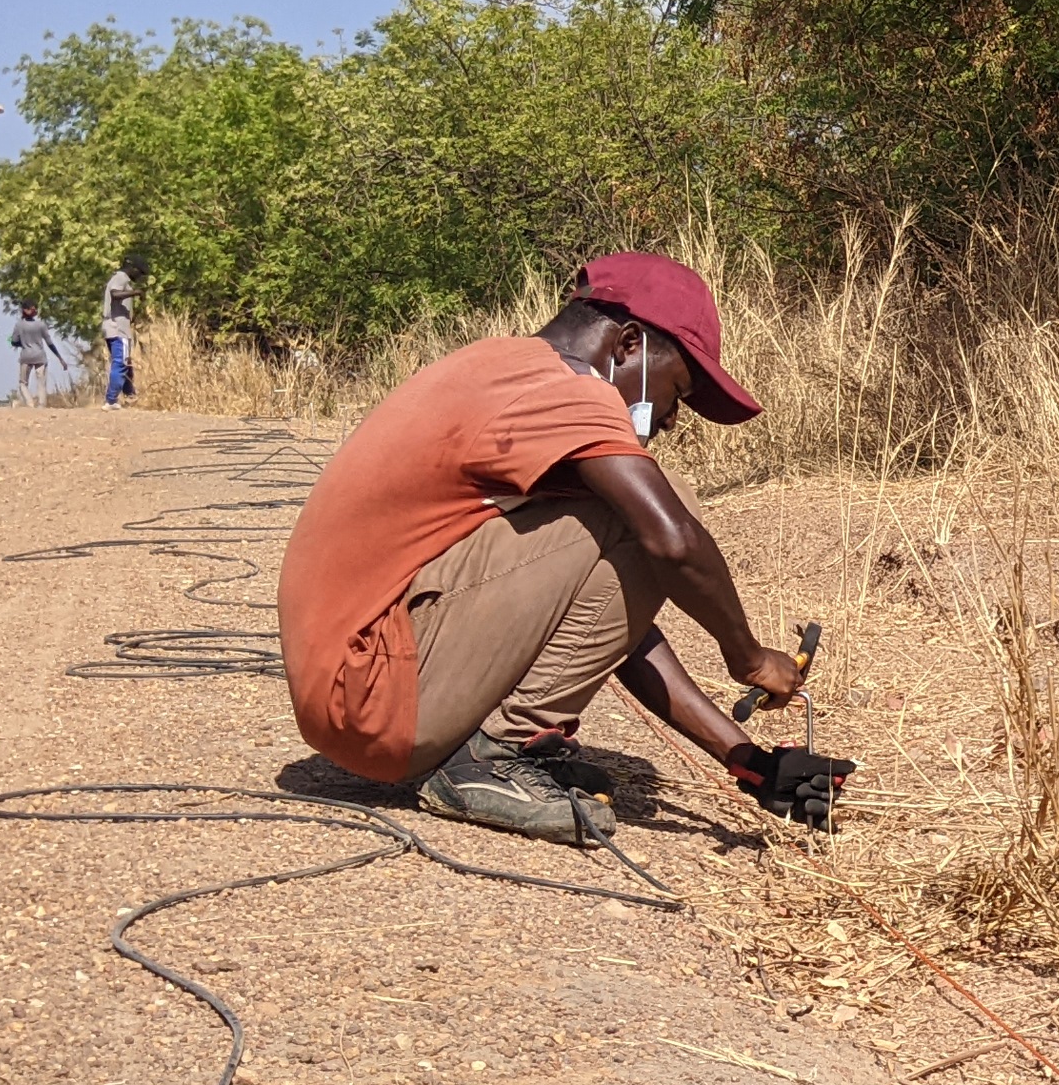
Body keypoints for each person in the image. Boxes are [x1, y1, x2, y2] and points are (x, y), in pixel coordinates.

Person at [275, 252, 855, 843]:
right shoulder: (565, 392)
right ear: (628, 343)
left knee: (631, 516)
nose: (676, 418)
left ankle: (494, 747)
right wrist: (750, 658)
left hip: (355, 695)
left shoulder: (501, 368)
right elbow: (672, 542)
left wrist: (745, 759)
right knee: (660, 503)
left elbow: (607, 624)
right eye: (679, 389)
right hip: (374, 694)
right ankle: (494, 756)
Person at [99, 263, 136, 408]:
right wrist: (136, 293)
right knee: (121, 362)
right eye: (140, 273)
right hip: (119, 329)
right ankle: (111, 400)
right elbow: (115, 294)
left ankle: (130, 394)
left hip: (112, 328)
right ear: (134, 269)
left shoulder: (119, 278)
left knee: (126, 363)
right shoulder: (122, 277)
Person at [6, 306, 57, 405]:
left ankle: (30, 403)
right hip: (40, 356)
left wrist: (23, 343)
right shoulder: (41, 325)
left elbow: (13, 342)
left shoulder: (19, 325)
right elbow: (49, 343)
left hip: (26, 357)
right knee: (41, 383)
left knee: (23, 383)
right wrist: (60, 357)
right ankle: (42, 405)